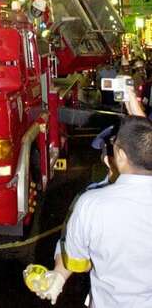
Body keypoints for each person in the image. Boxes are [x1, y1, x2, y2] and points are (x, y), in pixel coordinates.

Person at [32, 115, 152, 307]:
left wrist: (60, 276)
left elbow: (74, 258)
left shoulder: (91, 204)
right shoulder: (92, 198)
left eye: (110, 148)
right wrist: (59, 276)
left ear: (118, 156)